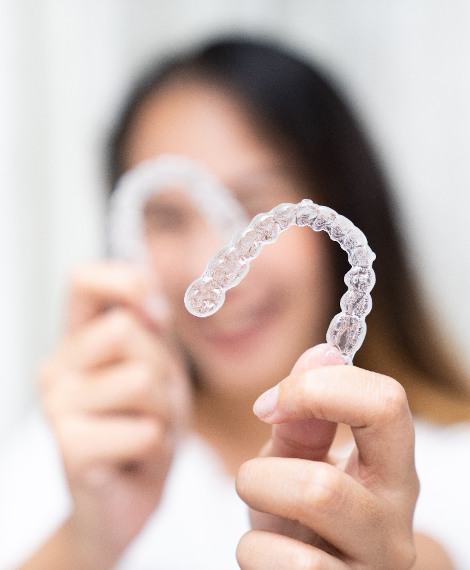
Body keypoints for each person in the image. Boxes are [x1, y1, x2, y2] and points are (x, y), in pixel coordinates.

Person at [2, 36, 468, 569]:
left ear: (339, 200)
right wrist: (88, 538)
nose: (209, 259)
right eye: (167, 218)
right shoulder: (68, 457)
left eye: (255, 203)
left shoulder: (457, 470)